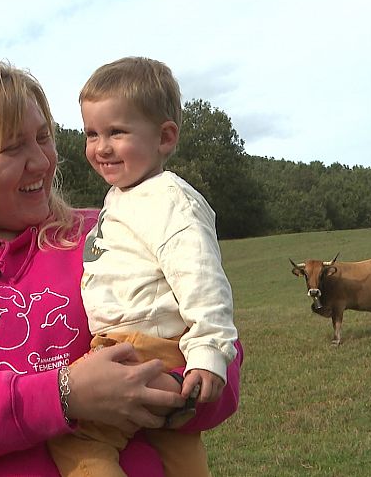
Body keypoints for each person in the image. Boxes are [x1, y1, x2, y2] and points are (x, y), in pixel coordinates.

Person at [0, 59, 244, 476]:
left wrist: (172, 391)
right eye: (12, 147)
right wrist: (63, 396)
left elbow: (218, 347)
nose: (41, 161)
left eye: (43, 138)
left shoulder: (101, 235)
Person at [48, 56, 239, 477]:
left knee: (77, 437)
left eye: (117, 132)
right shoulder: (126, 195)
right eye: (92, 133)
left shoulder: (169, 199)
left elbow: (202, 277)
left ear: (165, 137)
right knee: (178, 446)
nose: (101, 147)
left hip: (138, 349)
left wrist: (209, 349)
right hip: (151, 347)